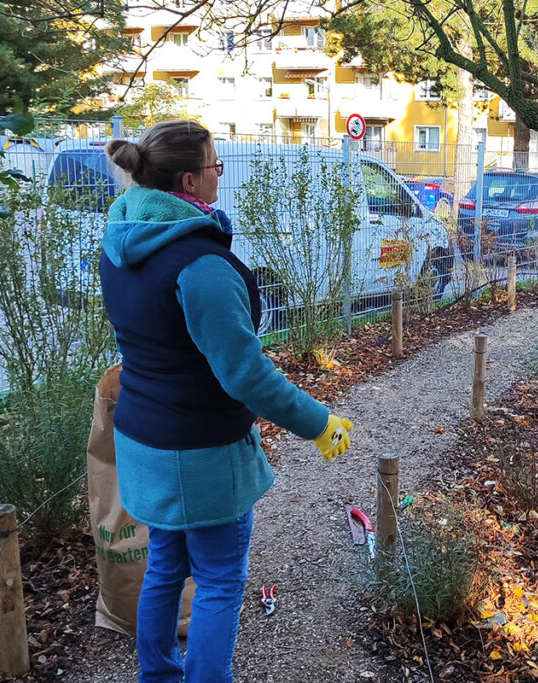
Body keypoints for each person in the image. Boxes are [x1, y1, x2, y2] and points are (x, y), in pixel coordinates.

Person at [100, 119, 354, 682]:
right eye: (216, 165)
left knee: (165, 565)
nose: (220, 174)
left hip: (144, 439)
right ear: (189, 182)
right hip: (200, 454)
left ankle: (159, 675)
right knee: (218, 581)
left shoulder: (121, 243)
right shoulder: (201, 265)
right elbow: (246, 375)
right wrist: (319, 423)